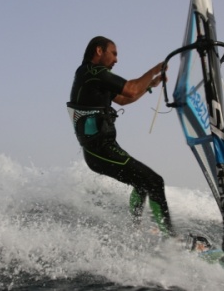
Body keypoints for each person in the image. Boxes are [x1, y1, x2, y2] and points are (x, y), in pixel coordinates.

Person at [67, 36, 176, 238]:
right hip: (99, 150)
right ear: (99, 51)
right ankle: (172, 241)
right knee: (154, 181)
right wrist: (155, 69)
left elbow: (126, 99)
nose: (116, 60)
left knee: (142, 184)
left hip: (102, 150)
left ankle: (134, 232)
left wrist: (151, 84)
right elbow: (131, 88)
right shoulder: (91, 72)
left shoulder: (95, 80)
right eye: (114, 53)